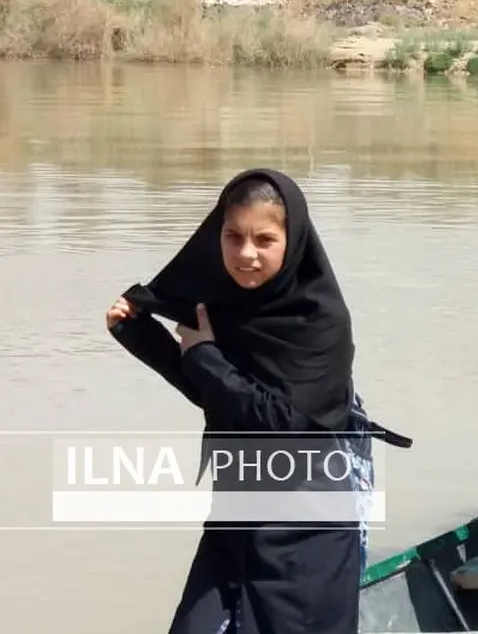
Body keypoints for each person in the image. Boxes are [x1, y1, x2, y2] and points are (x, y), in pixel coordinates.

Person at [105, 169, 362, 633]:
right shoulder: (224, 309)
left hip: (304, 532)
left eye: (264, 239)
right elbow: (218, 396)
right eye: (233, 236)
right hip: (234, 520)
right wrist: (140, 334)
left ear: (293, 239)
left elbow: (286, 425)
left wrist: (204, 354)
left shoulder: (320, 323)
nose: (246, 254)